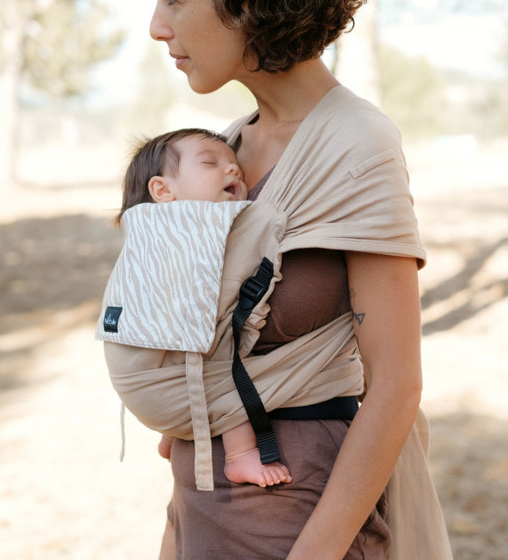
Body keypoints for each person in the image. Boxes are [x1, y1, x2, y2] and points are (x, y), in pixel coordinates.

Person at [143, 1, 453, 560]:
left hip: (302, 517)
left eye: (176, 0)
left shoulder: (355, 145)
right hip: (205, 515)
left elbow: (396, 385)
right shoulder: (226, 149)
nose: (157, 26)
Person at [116, 127, 293, 488]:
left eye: (236, 167)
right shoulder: (198, 229)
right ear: (162, 190)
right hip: (153, 381)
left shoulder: (148, 229)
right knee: (226, 377)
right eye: (211, 164)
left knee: (188, 349)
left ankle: (175, 430)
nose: (233, 171)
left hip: (131, 373)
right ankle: (240, 457)